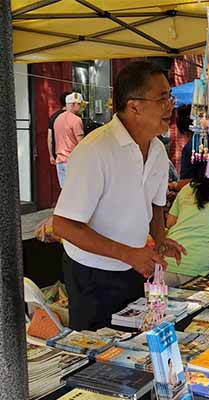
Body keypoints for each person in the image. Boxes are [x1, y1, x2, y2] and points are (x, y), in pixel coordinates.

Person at [52, 61, 186, 331]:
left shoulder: (158, 150)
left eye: (169, 98)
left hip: (133, 267)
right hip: (91, 273)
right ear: (134, 105)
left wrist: (160, 238)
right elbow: (63, 225)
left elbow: (155, 203)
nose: (170, 106)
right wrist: (128, 254)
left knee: (133, 343)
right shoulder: (95, 150)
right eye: (162, 99)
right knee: (97, 359)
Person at [53, 92, 88, 187]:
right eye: (80, 104)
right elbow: (81, 144)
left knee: (65, 193)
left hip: (60, 161)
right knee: (77, 192)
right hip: (73, 162)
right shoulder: (76, 120)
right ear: (73, 104)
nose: (82, 107)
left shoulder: (57, 119)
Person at [47, 91, 71, 167]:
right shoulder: (74, 117)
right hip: (71, 155)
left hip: (58, 155)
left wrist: (51, 155)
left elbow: (49, 137)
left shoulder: (53, 117)